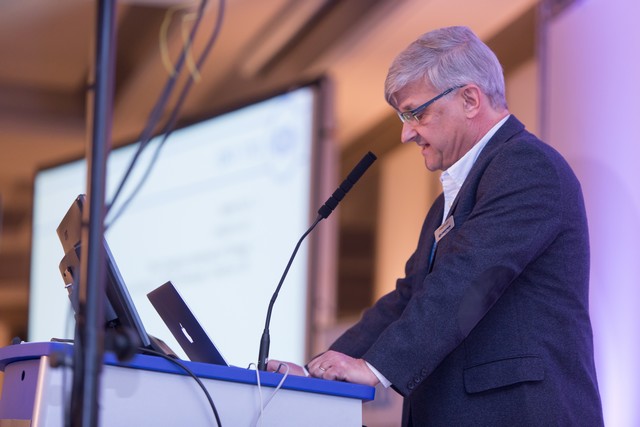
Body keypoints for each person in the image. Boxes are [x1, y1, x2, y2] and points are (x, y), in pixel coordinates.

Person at [268, 26, 603, 426]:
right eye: (403, 117)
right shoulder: (449, 199)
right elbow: (409, 298)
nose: (406, 133)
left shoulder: (527, 166)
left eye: (416, 113)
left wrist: (374, 367)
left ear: (469, 99)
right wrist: (318, 372)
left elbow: (470, 279)